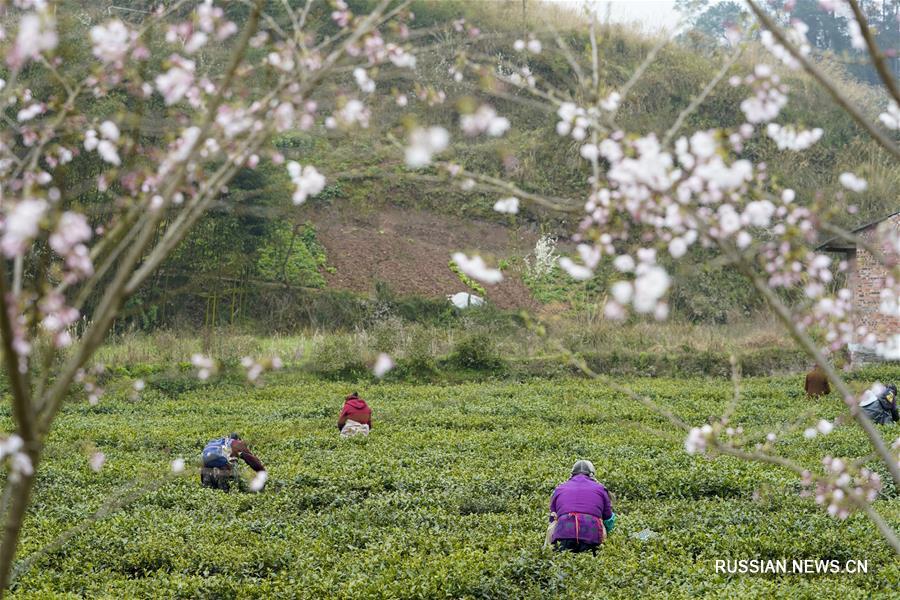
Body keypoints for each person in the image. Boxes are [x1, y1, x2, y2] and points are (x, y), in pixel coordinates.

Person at [547, 460, 617, 553]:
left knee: (563, 563)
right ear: (591, 474)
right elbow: (608, 518)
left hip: (563, 532)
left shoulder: (560, 488)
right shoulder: (601, 489)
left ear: (572, 474)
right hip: (591, 533)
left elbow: (552, 518)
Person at [200, 433, 265, 491]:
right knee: (225, 492)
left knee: (208, 490)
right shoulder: (236, 443)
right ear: (238, 439)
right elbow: (251, 459)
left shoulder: (215, 442)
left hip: (206, 467)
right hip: (224, 468)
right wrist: (261, 471)